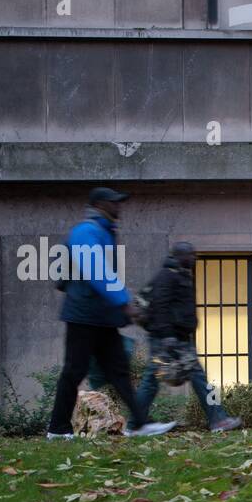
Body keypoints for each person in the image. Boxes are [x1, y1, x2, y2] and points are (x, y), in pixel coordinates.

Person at [45, 188, 176, 440]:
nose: (120, 207)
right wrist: (124, 302)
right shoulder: (86, 231)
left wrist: (122, 305)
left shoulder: (103, 231)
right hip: (83, 315)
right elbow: (96, 271)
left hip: (101, 317)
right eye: (115, 202)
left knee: (118, 372)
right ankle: (57, 428)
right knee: (74, 371)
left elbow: (107, 274)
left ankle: (140, 423)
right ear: (101, 204)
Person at [136, 242, 242, 433]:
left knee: (195, 379)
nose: (195, 258)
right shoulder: (168, 276)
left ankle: (218, 419)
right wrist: (168, 336)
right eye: (191, 254)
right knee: (153, 380)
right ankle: (135, 424)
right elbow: (160, 305)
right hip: (167, 339)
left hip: (180, 339)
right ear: (179, 256)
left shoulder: (182, 275)